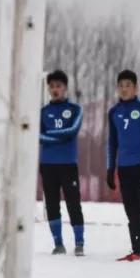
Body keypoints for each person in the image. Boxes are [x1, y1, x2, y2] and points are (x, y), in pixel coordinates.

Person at [106, 69, 140, 262]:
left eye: (128, 85)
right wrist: (110, 168)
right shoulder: (114, 112)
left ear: (136, 87)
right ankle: (136, 251)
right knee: (132, 211)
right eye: (121, 85)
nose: (124, 89)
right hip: (125, 168)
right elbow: (112, 143)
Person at [39, 69, 85, 256]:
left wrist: (50, 136)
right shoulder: (42, 112)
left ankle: (79, 243)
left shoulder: (75, 110)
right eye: (52, 86)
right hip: (48, 164)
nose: (55, 89)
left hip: (68, 164)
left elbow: (72, 131)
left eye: (58, 86)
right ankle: (58, 244)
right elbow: (38, 136)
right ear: (48, 89)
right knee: (51, 204)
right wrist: (59, 137)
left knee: (73, 202)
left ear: (65, 88)